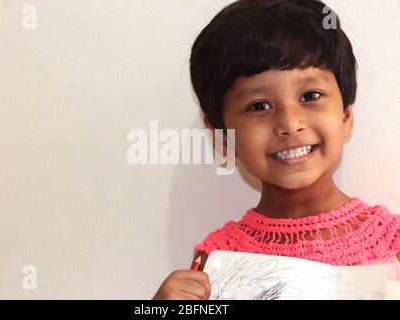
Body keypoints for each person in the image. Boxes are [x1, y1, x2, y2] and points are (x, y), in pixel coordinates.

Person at [152, 0, 400, 300]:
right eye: (259, 105)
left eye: (310, 95)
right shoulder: (215, 263)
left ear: (345, 116)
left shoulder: (392, 243)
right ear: (223, 137)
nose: (289, 123)